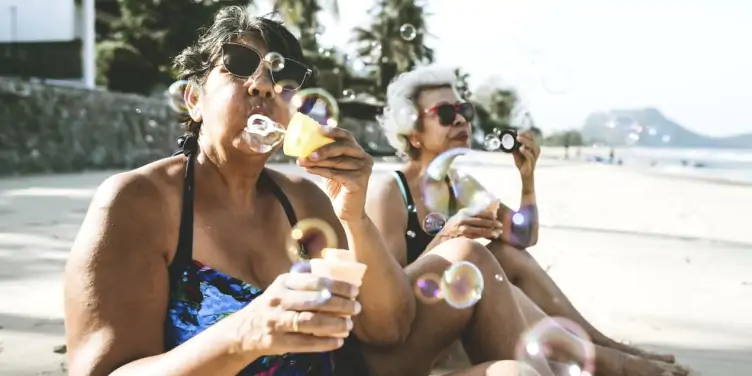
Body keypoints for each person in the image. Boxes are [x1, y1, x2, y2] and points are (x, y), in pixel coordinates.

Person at [62, 6, 553, 376]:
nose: (263, 86)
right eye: (236, 64)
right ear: (193, 98)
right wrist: (246, 333)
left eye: (283, 78)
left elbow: (389, 331)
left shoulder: (304, 199)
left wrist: (354, 214)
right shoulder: (137, 203)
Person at [367, 65, 689, 375]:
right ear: (414, 134)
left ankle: (604, 345)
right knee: (488, 272)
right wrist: (445, 240)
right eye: (446, 114)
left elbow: (522, 236)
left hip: (457, 315)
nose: (461, 121)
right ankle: (606, 360)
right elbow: (388, 301)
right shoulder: (390, 193)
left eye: (464, 110)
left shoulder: (460, 185)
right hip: (418, 334)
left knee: (508, 255)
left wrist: (527, 179)